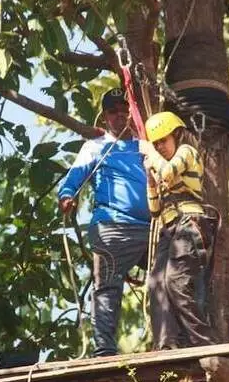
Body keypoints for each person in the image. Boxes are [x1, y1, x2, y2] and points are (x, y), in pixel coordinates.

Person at [57, 88, 150, 357]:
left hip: (151, 229)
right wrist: (67, 197)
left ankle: (173, 341)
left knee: (168, 278)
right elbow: (73, 180)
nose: (120, 115)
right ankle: (105, 351)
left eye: (124, 110)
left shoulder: (145, 146)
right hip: (113, 228)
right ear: (104, 117)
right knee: (107, 286)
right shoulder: (96, 147)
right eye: (113, 111)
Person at [138, 111, 217, 350]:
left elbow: (168, 172)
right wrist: (150, 181)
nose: (159, 147)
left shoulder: (186, 152)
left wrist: (151, 154)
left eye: (163, 141)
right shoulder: (161, 164)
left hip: (190, 222)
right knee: (156, 283)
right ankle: (167, 344)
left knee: (176, 280)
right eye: (156, 144)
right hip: (169, 227)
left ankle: (200, 340)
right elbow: (154, 210)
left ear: (177, 135)